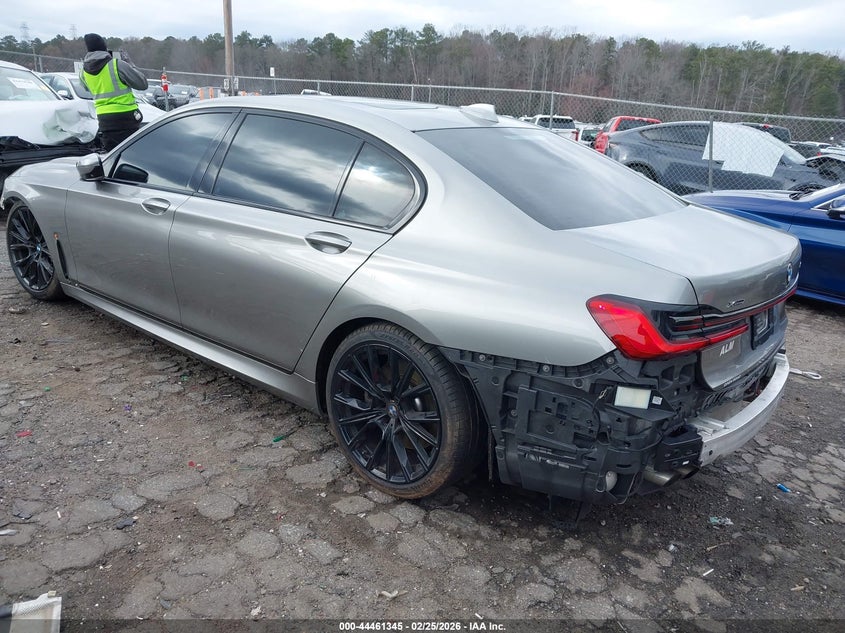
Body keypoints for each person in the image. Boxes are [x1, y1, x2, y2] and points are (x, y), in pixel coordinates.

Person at [79, 33, 148, 151]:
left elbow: (86, 88)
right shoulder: (116, 65)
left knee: (113, 155)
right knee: (133, 153)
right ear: (104, 48)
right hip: (127, 118)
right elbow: (142, 84)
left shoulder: (83, 72)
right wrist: (131, 65)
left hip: (104, 120)